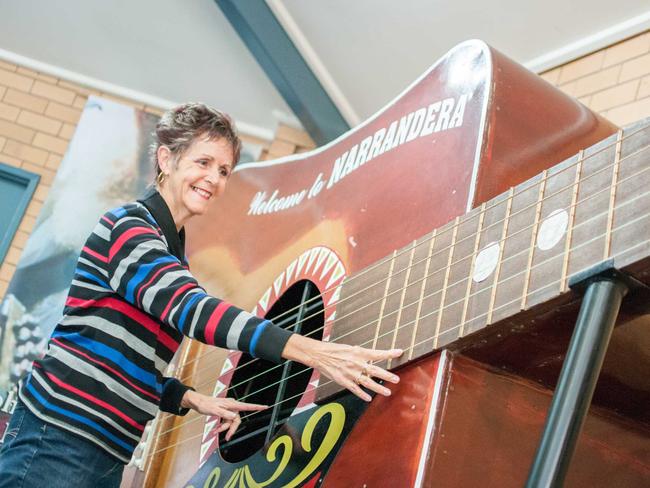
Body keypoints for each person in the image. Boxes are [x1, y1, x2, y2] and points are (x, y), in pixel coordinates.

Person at [0, 103, 402, 487]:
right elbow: (189, 308)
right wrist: (312, 351)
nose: (215, 178)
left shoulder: (171, 252)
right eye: (203, 162)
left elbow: (127, 364)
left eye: (225, 170)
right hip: (59, 434)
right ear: (165, 160)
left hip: (107, 448)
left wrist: (190, 398)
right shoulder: (127, 227)